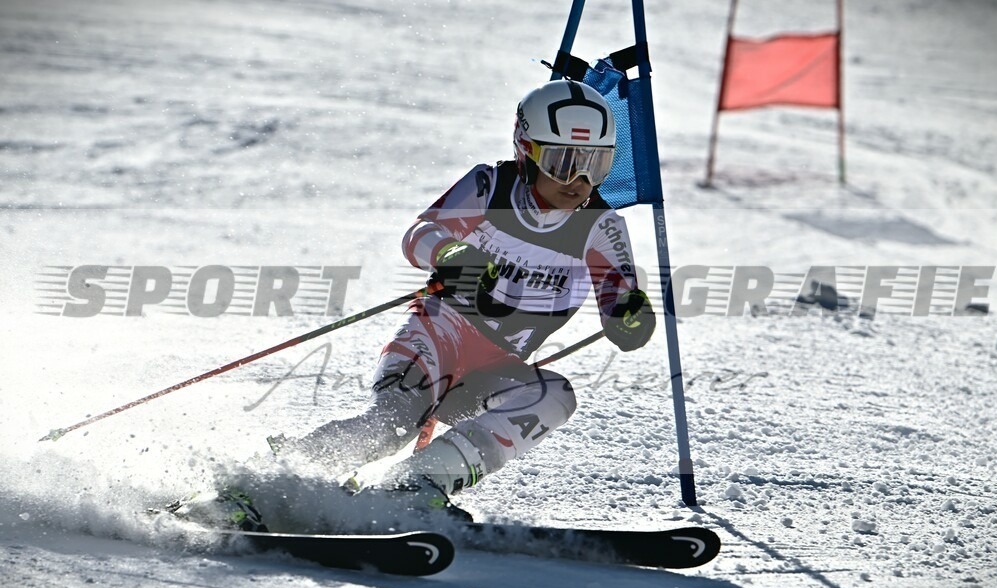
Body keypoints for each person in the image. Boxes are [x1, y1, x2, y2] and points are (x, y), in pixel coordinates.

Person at [184, 80, 656, 530]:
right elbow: (421, 235)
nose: (578, 180)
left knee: (555, 395)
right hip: (436, 335)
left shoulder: (601, 226)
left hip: (496, 367)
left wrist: (629, 317)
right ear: (526, 151)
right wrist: (452, 254)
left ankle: (413, 485)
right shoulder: (491, 187)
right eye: (562, 161)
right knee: (391, 426)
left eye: (595, 165)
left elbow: (620, 294)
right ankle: (255, 485)